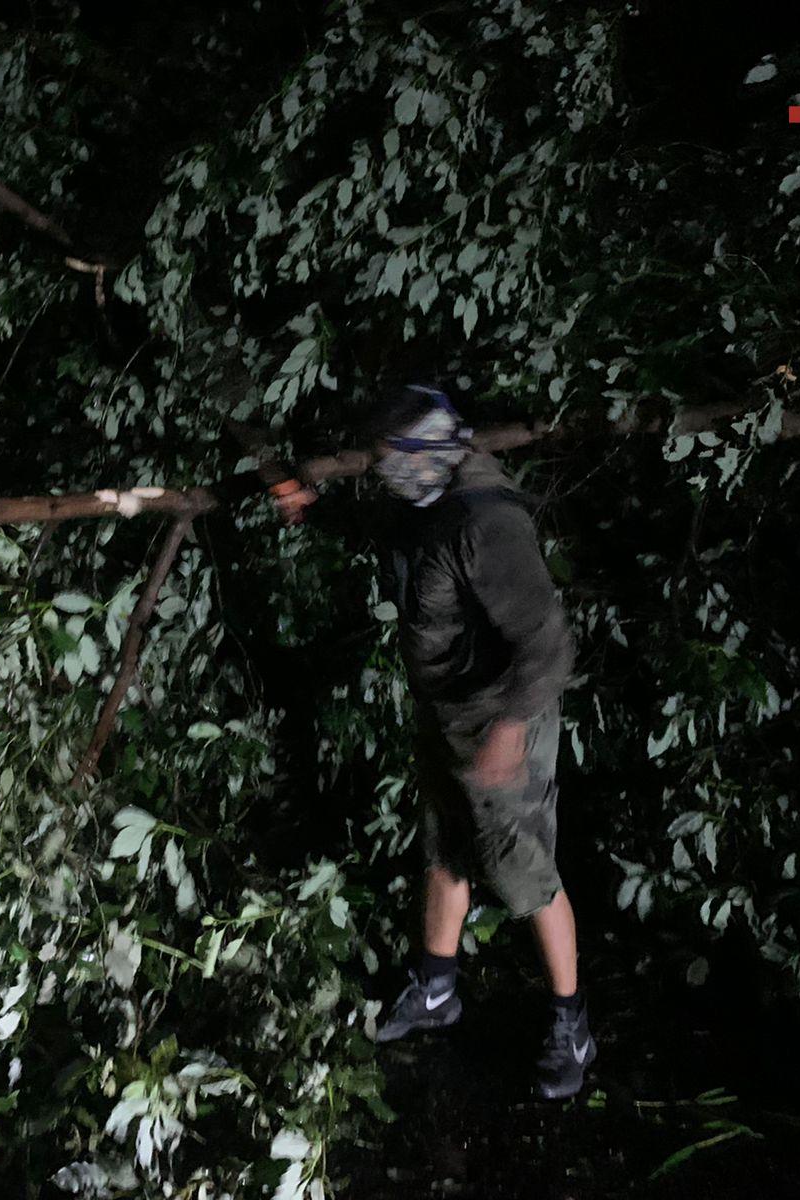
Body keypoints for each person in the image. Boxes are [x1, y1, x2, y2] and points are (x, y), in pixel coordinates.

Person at [273, 383, 593, 1101]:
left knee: (524, 874)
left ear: (431, 452)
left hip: (499, 724)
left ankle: (572, 1024)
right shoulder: (425, 500)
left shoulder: (488, 524)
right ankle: (437, 990)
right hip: (448, 717)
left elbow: (549, 648)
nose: (387, 477)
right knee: (445, 846)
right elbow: (384, 538)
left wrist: (508, 732)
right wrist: (306, 506)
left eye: (394, 463)